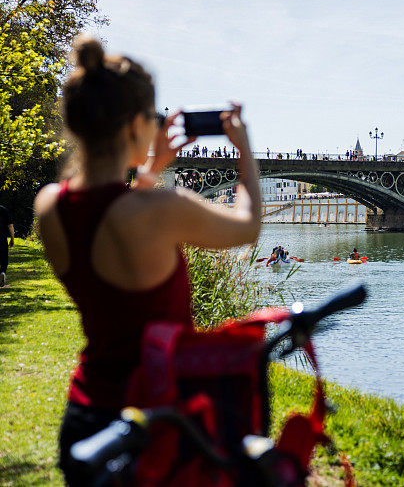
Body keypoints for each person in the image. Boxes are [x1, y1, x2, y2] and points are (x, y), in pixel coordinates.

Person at [33, 36, 261, 486]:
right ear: (135, 125)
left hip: (85, 417)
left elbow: (106, 218)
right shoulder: (162, 210)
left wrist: (149, 173)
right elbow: (247, 226)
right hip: (155, 421)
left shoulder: (49, 206)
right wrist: (245, 154)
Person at [0, 203, 13, 287]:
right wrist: (12, 238)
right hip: (2, 238)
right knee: (4, 258)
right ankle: (3, 272)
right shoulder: (4, 210)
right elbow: (10, 226)